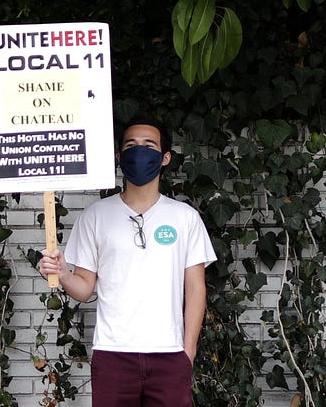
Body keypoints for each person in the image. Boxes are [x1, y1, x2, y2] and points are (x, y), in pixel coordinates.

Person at [37, 118, 217, 407]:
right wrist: (62, 272)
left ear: (165, 157)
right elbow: (84, 289)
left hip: (169, 354)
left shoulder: (185, 218)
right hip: (113, 355)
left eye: (149, 145)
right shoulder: (95, 216)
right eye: (131, 145)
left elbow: (196, 289)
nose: (139, 151)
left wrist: (188, 351)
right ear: (119, 156)